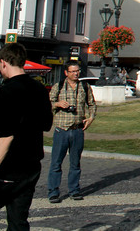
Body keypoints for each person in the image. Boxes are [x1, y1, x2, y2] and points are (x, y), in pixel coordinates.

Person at [0, 43, 53, 231]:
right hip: (31, 166)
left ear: (3, 63)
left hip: (8, 168)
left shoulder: (6, 92)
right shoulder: (39, 89)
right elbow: (46, 124)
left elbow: (5, 137)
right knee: (18, 220)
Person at [48, 61, 97, 203]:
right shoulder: (59, 87)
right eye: (72, 71)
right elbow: (47, 104)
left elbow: (92, 104)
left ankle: (74, 190)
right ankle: (53, 192)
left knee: (75, 163)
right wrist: (57, 104)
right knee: (56, 163)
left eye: (77, 71)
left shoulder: (84, 87)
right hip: (61, 130)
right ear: (66, 73)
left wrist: (91, 118)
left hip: (77, 130)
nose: (76, 74)